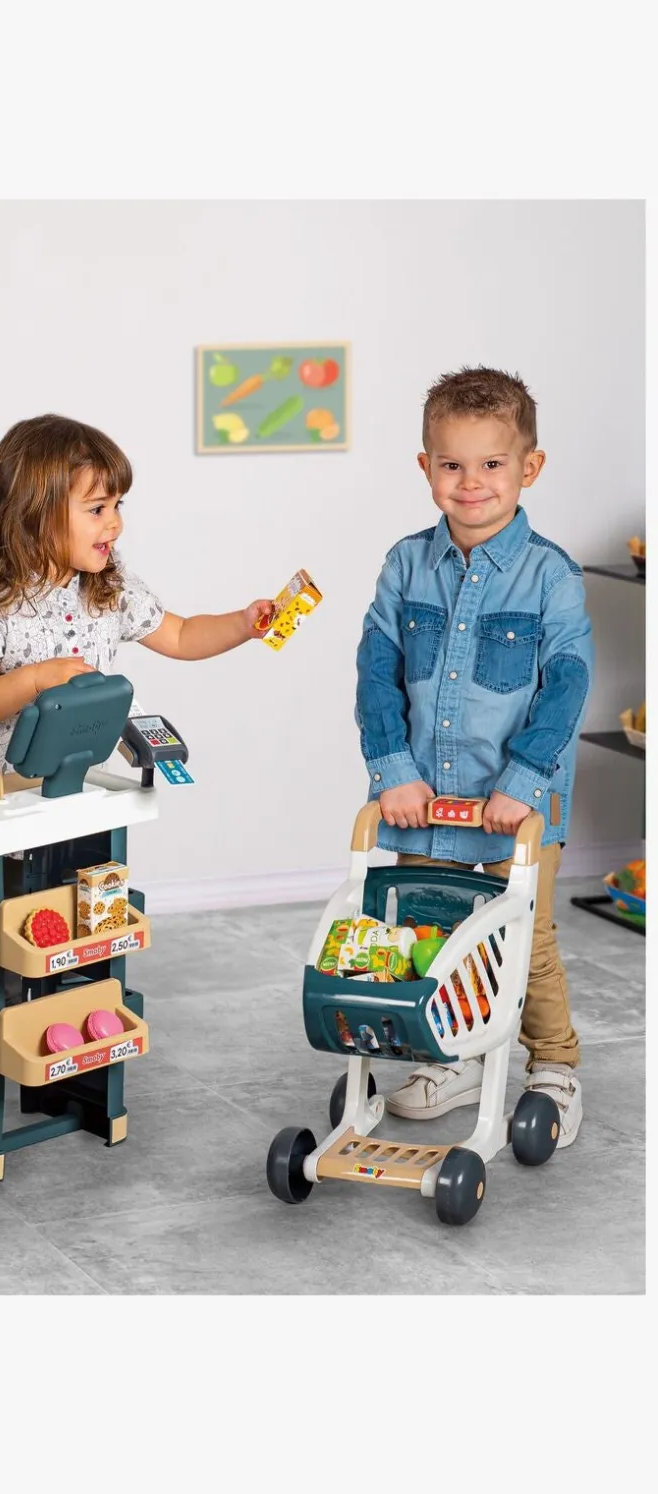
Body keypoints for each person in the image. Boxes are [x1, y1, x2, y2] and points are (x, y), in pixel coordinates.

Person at [354, 366, 592, 1145]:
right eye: (452, 464)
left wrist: (523, 781)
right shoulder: (405, 564)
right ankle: (454, 1049)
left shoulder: (550, 575)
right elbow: (376, 671)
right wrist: (394, 771)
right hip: (426, 798)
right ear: (426, 467)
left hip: (517, 806)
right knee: (435, 929)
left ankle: (553, 1066)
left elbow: (567, 684)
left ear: (530, 467)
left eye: (492, 463)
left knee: (526, 936)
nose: (471, 483)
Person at [0, 413, 276, 785]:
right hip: (1, 792)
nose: (115, 523)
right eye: (98, 509)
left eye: (118, 506)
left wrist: (242, 624)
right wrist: (33, 679)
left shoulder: (111, 590)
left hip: (80, 785)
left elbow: (181, 636)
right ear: (36, 514)